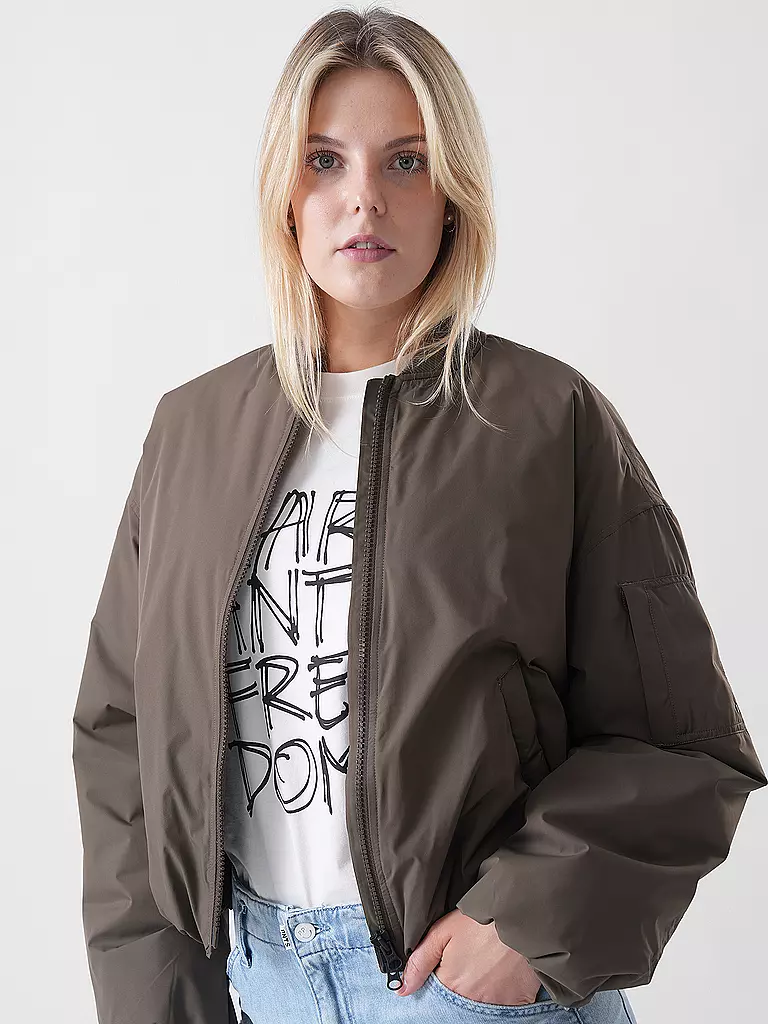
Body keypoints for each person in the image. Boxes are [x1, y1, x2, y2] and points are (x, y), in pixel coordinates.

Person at [71, 7, 767, 1024]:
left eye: (407, 161)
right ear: (285, 194)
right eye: (325, 160)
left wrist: (524, 922)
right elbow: (123, 741)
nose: (366, 197)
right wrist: (157, 1002)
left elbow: (679, 738)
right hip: (261, 985)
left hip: (472, 992)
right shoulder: (191, 432)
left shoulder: (546, 420)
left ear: (453, 195)